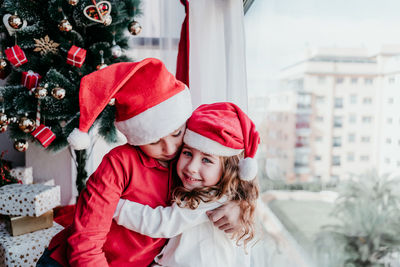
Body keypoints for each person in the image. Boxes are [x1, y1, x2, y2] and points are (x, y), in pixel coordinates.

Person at [37, 59, 240, 267]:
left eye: (176, 134)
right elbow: (86, 244)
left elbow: (232, 173)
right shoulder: (118, 164)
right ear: (137, 136)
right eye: (153, 141)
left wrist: (239, 205)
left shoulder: (188, 161)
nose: (170, 149)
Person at [113, 102, 260, 267]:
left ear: (228, 169)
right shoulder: (205, 190)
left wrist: (115, 206)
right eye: (187, 153)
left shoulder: (212, 199)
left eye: (206, 160)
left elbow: (161, 223)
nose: (191, 167)